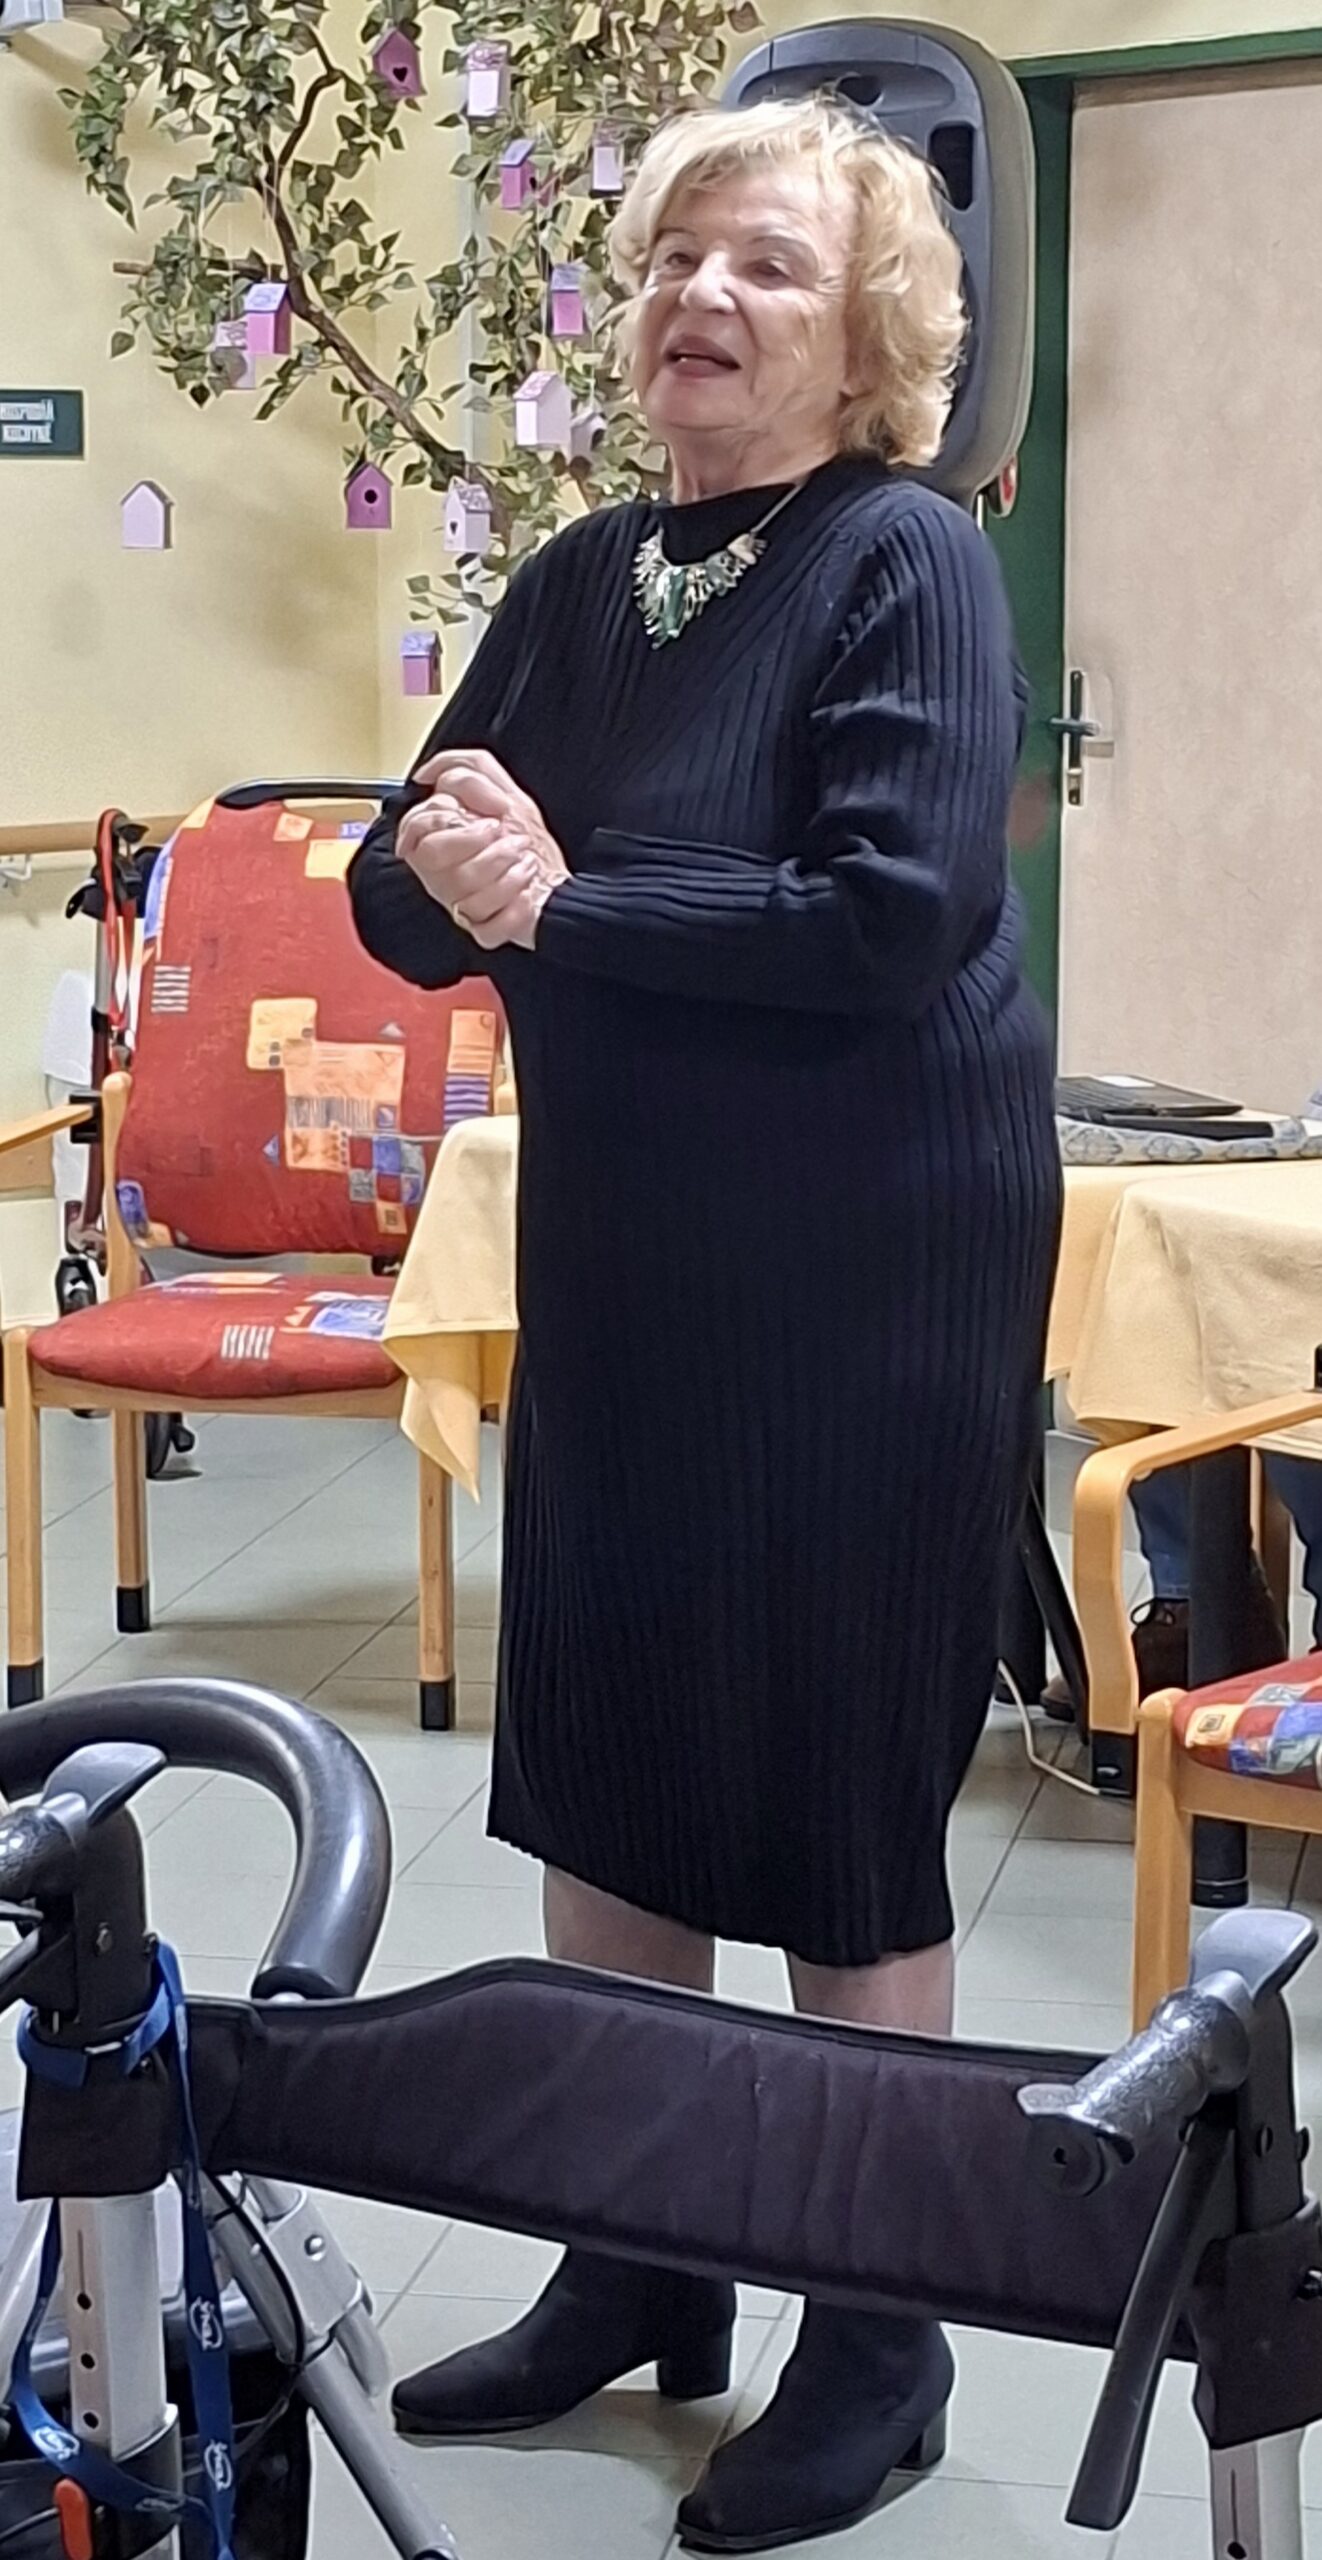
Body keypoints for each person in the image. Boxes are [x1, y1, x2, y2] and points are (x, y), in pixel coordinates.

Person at [350, 97, 1061, 2554]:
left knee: (837, 1804)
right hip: (633, 1261)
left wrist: (561, 900)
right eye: (668, 260)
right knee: (615, 1754)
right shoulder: (582, 577)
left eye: (759, 263)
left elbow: (883, 913)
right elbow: (408, 876)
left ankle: (879, 2320)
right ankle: (636, 2244)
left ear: (867, 333)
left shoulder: (905, 558)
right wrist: (466, 873)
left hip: (866, 1270)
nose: (697, 299)